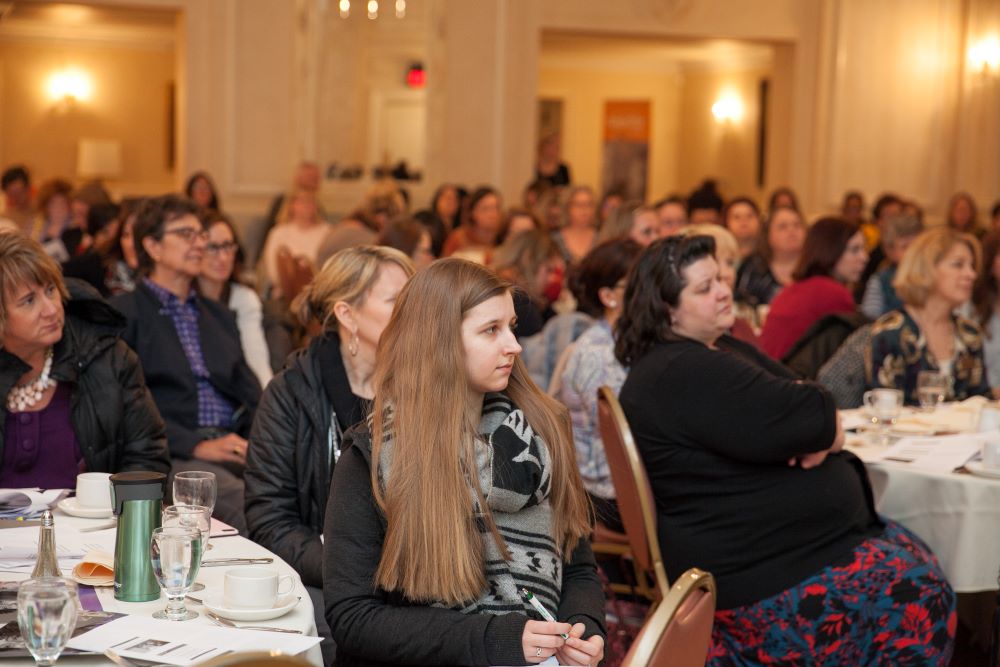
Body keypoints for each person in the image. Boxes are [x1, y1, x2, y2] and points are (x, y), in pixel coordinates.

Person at [615, 235, 955, 665]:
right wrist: (818, 428)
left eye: (720, 278)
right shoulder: (685, 370)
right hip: (756, 576)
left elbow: (809, 395)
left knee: (915, 558)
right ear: (667, 310)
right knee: (923, 592)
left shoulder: (710, 350)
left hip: (778, 551)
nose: (723, 290)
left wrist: (816, 425)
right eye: (704, 288)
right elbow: (815, 412)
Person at [323, 258, 605, 667]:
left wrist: (584, 628)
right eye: (491, 330)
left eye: (510, 326)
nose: (514, 344)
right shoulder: (373, 457)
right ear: (439, 343)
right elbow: (354, 618)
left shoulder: (541, 434)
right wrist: (497, 640)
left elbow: (577, 567)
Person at [246, 246, 414, 666]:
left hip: (422, 577)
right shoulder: (291, 394)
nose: (414, 312)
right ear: (347, 314)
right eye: (397, 301)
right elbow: (271, 520)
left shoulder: (425, 390)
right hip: (324, 576)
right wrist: (355, 568)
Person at [113, 195, 261, 533]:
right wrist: (195, 444)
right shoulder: (125, 314)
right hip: (173, 454)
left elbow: (252, 394)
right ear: (152, 246)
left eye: (201, 236)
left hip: (233, 445)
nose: (199, 245)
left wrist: (262, 442)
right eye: (186, 234)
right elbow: (124, 406)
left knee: (302, 493)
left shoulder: (218, 316)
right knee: (246, 504)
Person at [0, 232, 170, 487]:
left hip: (96, 525)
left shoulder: (108, 358)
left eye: (50, 290)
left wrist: (118, 518)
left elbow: (147, 455)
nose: (51, 309)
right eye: (29, 301)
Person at [557, 238, 642, 532]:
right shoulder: (598, 353)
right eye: (637, 285)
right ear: (608, 296)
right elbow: (623, 437)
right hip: (605, 495)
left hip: (626, 482)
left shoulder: (627, 341)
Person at [868, 227, 988, 405]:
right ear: (926, 270)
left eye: (971, 266)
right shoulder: (891, 332)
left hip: (969, 433)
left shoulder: (969, 334)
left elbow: (980, 400)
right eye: (958, 264)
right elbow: (885, 408)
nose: (971, 274)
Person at [759, 217, 867, 360]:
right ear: (831, 250)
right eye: (854, 250)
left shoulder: (799, 287)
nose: (864, 257)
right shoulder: (832, 293)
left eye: (863, 249)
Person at [198, 212, 273, 389]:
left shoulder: (243, 298)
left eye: (227, 246)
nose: (223, 257)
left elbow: (258, 364)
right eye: (213, 248)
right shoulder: (181, 300)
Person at [492, 229, 565, 339]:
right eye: (548, 270)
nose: (551, 279)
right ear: (529, 261)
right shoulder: (521, 304)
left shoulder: (497, 287)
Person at [260, 187, 331, 296]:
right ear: (291, 205)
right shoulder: (278, 232)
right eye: (301, 201)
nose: (306, 205)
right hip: (285, 291)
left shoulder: (326, 231)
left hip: (318, 290)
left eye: (310, 201)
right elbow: (272, 269)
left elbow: (329, 264)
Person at [734, 206, 806, 307]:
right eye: (783, 226)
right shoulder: (752, 267)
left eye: (797, 225)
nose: (792, 230)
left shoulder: (815, 268)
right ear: (767, 234)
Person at [859, 213, 924, 320]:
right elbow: (868, 322)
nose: (913, 252)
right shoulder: (880, 281)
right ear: (889, 250)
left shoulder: (933, 277)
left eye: (918, 246)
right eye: (905, 246)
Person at [442, 186, 503, 264]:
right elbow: (444, 268)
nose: (493, 214)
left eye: (496, 208)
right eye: (486, 209)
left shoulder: (504, 237)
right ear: (473, 212)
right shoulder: (458, 238)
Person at [551, 186, 598, 266]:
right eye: (578, 205)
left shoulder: (602, 237)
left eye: (589, 204)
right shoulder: (554, 240)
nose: (584, 209)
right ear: (567, 208)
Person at [721, 196, 761, 262]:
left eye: (749, 216)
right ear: (726, 223)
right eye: (736, 217)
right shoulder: (720, 258)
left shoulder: (771, 257)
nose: (743, 221)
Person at [1, 165, 34, 235]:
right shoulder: (6, 217)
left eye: (20, 192)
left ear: (28, 187)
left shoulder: (43, 209)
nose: (17, 198)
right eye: (12, 195)